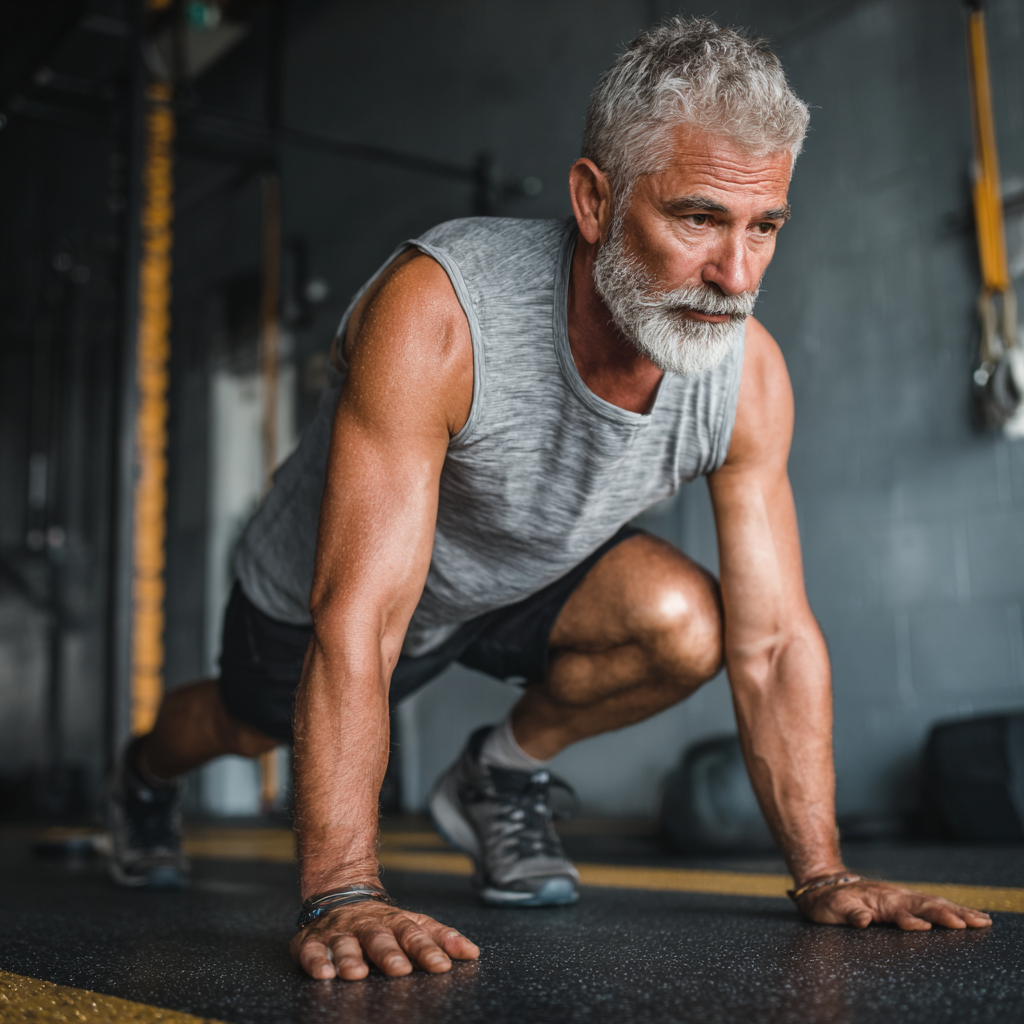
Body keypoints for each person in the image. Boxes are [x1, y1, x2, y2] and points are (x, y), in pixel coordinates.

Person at [107, 16, 992, 980]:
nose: (736, 276)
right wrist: (345, 893)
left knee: (686, 624)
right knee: (242, 726)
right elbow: (359, 618)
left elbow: (774, 643)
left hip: (523, 574)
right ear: (592, 199)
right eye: (698, 218)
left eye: (764, 227)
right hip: (339, 592)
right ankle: (140, 777)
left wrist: (824, 877)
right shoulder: (440, 314)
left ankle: (498, 774)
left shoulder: (748, 377)